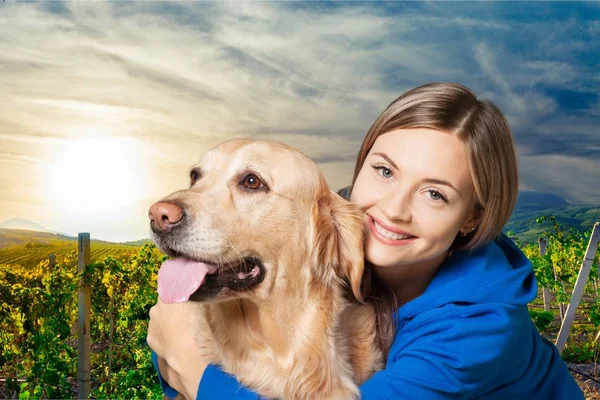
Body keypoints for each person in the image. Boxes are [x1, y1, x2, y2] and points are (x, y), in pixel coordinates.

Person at [146, 82, 584, 399]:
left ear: (472, 219)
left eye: (434, 194)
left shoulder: (475, 331)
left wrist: (197, 370)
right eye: (385, 171)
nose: (393, 209)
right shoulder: (334, 225)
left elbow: (182, 358)